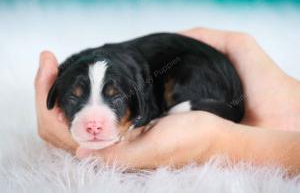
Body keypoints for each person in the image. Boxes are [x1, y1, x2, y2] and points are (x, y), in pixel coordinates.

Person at [35, 28, 300, 174]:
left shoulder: (138, 89)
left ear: (134, 100)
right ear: (55, 96)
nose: (92, 122)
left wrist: (216, 140)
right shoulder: (72, 72)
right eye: (74, 99)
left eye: (114, 99)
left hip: (202, 79)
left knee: (184, 74)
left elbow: (143, 106)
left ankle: (193, 107)